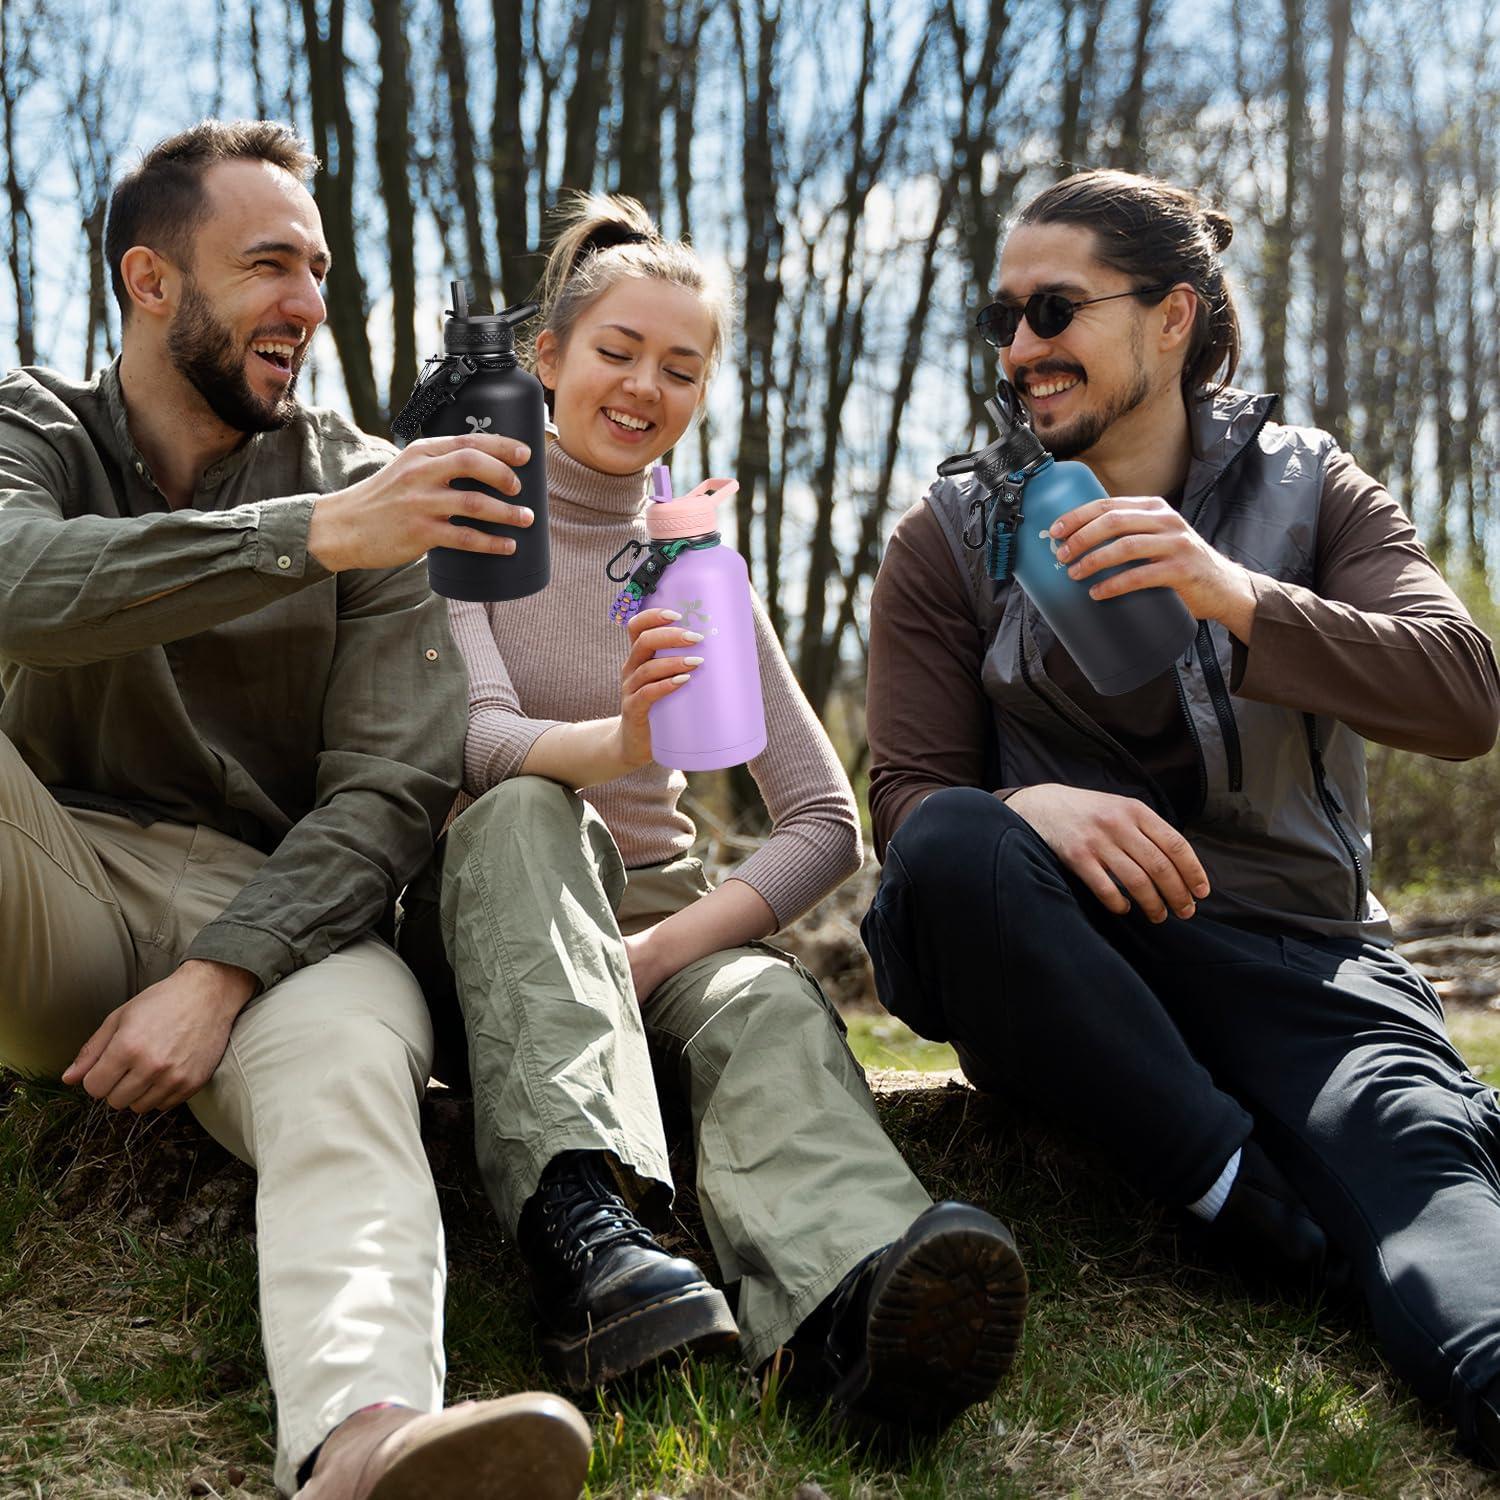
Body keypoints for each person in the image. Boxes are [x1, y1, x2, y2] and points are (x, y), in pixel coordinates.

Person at [861, 167, 1500, 1457]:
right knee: (954, 845)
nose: (1022, 350)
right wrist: (1030, 803)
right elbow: (909, 802)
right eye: (1001, 321)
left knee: (1423, 1166)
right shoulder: (951, 533)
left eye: (1054, 311)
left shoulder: (1311, 486)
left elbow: (1464, 694)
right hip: (1068, 954)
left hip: (1301, 957)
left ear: (1174, 317)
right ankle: (1242, 1198)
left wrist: (1234, 593)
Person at [0, 119, 592, 1499]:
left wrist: (223, 972)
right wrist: (310, 535)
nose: (311, 306)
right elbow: (15, 581)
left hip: (279, 922)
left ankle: (366, 1439)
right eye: (271, 265)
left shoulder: (377, 473)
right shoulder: (33, 426)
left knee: (345, 1068)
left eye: (320, 269)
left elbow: (389, 788)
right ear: (153, 282)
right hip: (50, 877)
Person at [397, 192, 1029, 1439]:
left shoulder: (694, 569)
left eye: (679, 368)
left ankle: (855, 1309)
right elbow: (476, 741)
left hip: (652, 926)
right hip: (493, 920)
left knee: (764, 1000)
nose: (645, 387)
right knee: (527, 808)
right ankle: (596, 1253)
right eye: (617, 353)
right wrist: (620, 744)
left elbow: (823, 819)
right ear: (548, 360)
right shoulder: (465, 523)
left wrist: (663, 953)